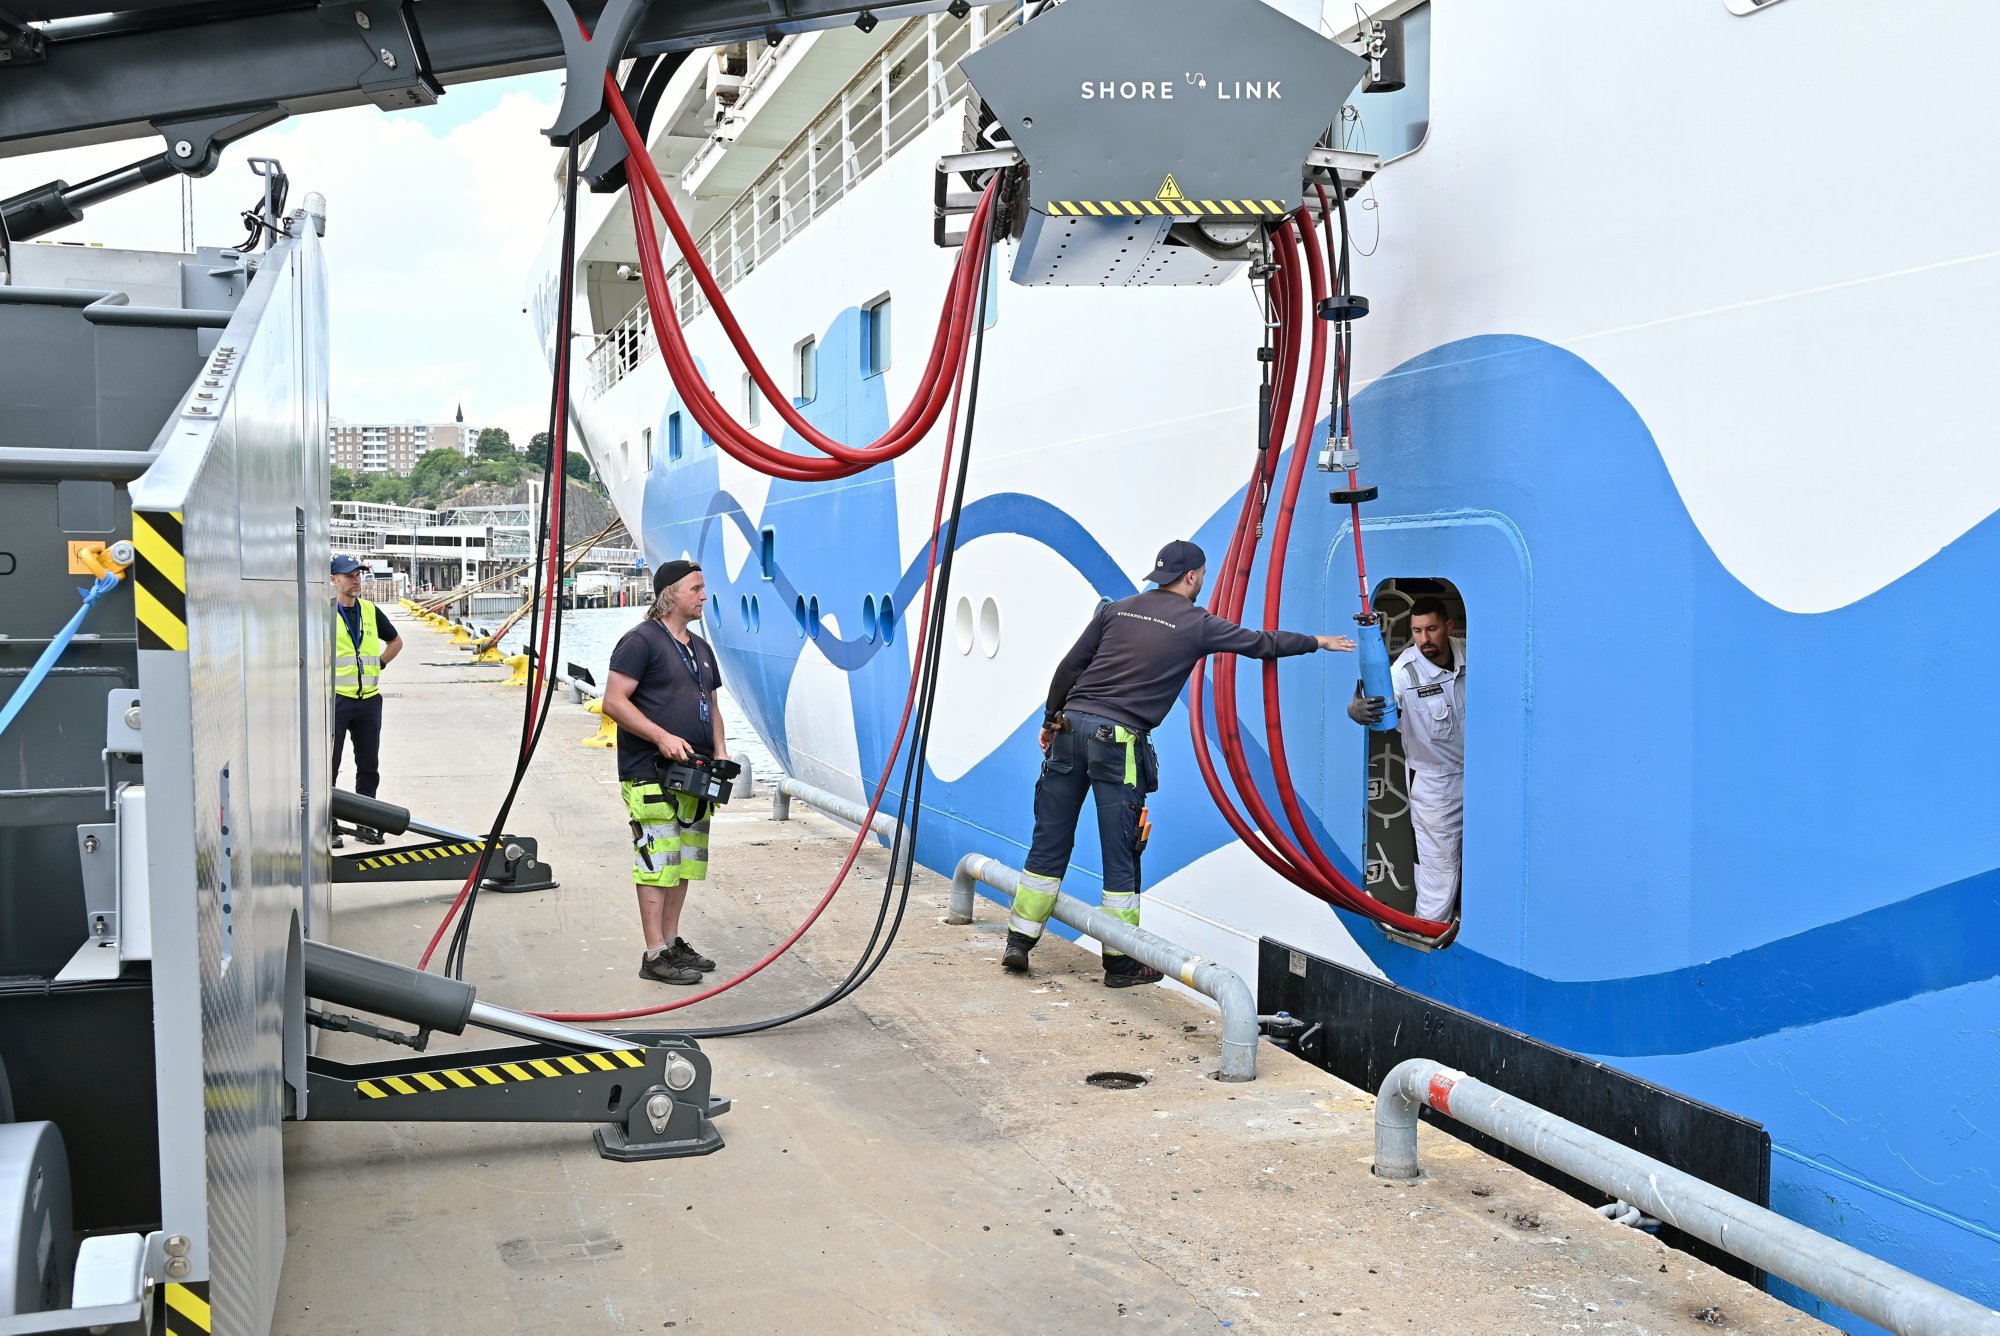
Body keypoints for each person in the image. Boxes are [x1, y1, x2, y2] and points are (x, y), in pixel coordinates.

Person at [1004, 539, 1356, 985]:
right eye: (1202, 576)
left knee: (1049, 838)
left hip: (1069, 730)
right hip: (1118, 742)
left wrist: (1051, 720)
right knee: (1120, 854)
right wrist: (1317, 641)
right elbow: (1260, 644)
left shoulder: (1118, 610)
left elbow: (1069, 667)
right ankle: (1119, 961)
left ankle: (1019, 941)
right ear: (1192, 577)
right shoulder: (1198, 624)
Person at [601, 558, 728, 986]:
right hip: (650, 771)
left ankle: (672, 943)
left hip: (695, 774)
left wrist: (722, 752)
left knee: (684, 861)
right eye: (696, 589)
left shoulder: (700, 648)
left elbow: (711, 705)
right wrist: (660, 737)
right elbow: (615, 702)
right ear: (671, 593)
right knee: (657, 860)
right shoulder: (640, 642)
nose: (704, 596)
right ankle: (654, 953)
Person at [1347, 596, 1464, 923]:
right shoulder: (1404, 672)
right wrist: (1358, 710)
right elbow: (1384, 701)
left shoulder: (1470, 654)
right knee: (1438, 873)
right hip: (1435, 785)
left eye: (1431, 629)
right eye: (1416, 631)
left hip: (1483, 777)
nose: (1424, 639)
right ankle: (1427, 937)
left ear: (1448, 627)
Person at [330, 555, 402, 847]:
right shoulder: (323, 614)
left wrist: (380, 664)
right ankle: (330, 825)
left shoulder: (371, 611)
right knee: (328, 767)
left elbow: (395, 641)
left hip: (369, 702)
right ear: (334, 579)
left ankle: (366, 822)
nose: (356, 580)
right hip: (335, 701)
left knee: (368, 766)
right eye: (349, 576)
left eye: (358, 574)